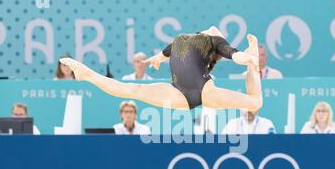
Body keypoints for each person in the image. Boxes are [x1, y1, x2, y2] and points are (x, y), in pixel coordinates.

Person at [60, 26, 262, 111]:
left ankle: (253, 65)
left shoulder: (214, 41)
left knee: (255, 103)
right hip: (177, 92)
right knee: (131, 90)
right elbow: (166, 52)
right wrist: (157, 58)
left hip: (204, 90)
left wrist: (243, 57)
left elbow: (229, 51)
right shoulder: (181, 40)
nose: (212, 29)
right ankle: (87, 74)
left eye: (214, 30)